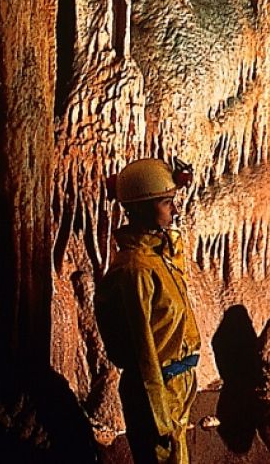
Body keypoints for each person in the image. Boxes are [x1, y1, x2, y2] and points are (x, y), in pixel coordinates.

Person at [95, 157, 201, 464]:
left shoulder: (157, 258)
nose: (174, 210)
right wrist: (160, 418)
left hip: (175, 385)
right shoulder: (135, 270)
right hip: (156, 390)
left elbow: (176, 267)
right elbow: (143, 351)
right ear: (141, 209)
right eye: (167, 203)